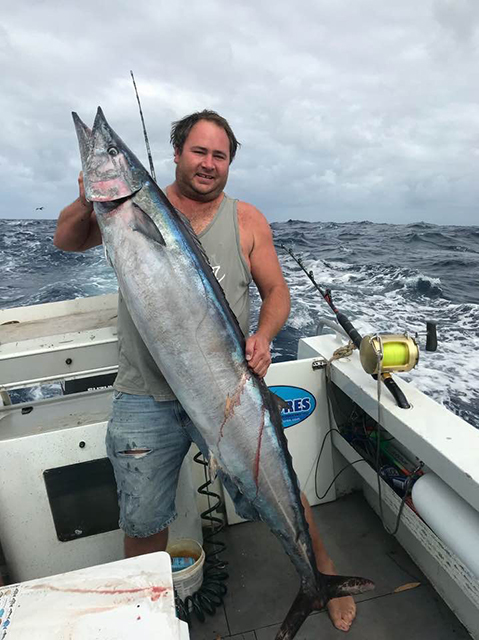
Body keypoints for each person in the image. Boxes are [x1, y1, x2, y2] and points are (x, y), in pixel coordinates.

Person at [54, 110, 356, 632]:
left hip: (228, 389)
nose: (208, 164)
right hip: (144, 393)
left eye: (220, 155)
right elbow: (66, 240)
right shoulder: (129, 208)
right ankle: (144, 617)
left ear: (229, 162)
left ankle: (320, 574)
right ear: (176, 154)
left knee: (278, 484)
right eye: (199, 151)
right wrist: (88, 197)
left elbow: (278, 292)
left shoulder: (247, 220)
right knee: (143, 517)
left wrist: (263, 334)